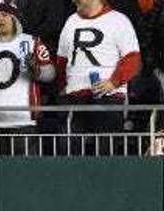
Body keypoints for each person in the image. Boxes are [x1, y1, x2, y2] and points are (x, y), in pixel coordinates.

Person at [0, 0, 53, 152]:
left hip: (24, 121)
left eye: (4, 15)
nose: (0, 19)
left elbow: (50, 74)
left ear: (14, 18)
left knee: (24, 172)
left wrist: (35, 71)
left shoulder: (32, 42)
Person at [56, 0, 140, 142]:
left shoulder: (118, 20)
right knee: (72, 154)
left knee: (105, 154)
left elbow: (132, 59)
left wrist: (113, 82)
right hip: (75, 99)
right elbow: (62, 60)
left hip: (109, 98)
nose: (73, 1)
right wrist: (62, 86)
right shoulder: (71, 21)